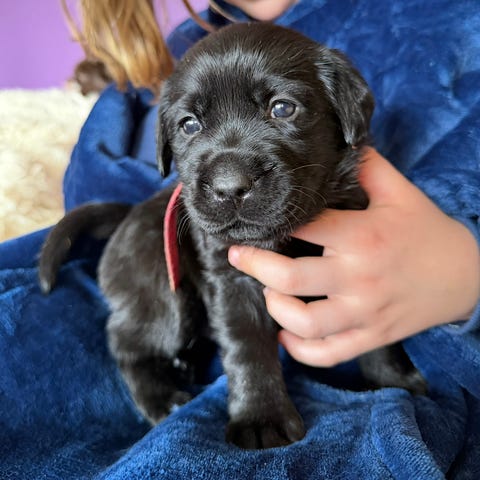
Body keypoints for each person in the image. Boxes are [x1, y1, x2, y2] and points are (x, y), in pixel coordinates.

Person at [1, 1, 479, 478]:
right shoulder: (165, 69)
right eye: (190, 124)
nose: (229, 178)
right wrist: (256, 401)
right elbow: (232, 282)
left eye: (282, 108)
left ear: (345, 117)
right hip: (149, 256)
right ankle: (143, 369)